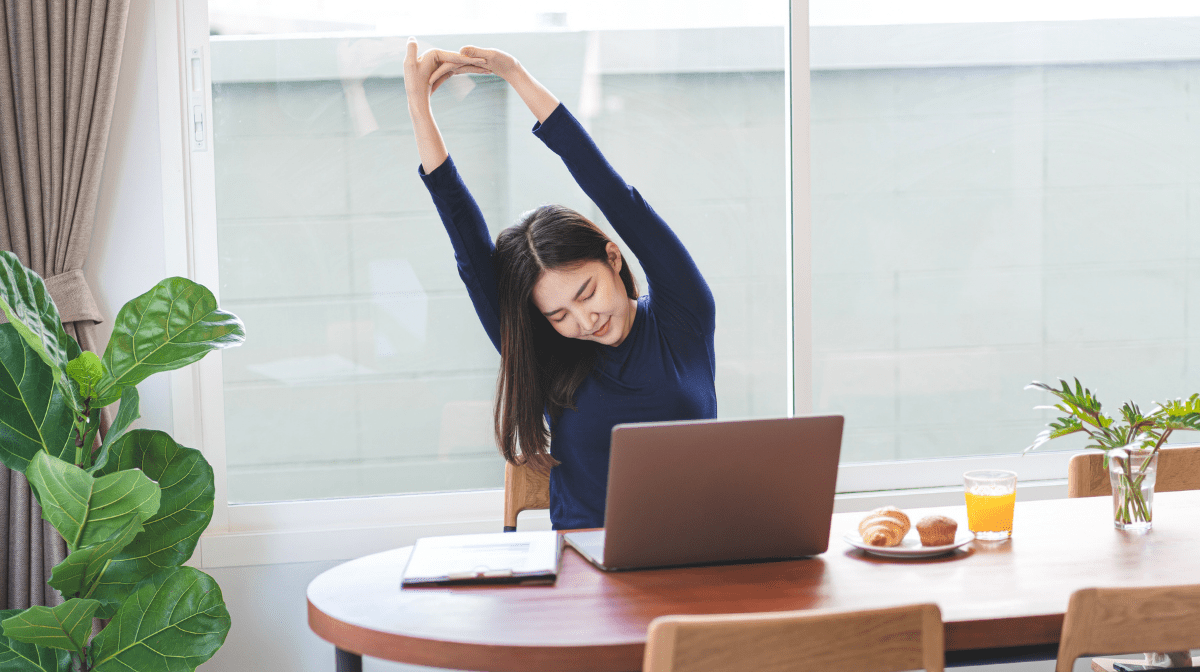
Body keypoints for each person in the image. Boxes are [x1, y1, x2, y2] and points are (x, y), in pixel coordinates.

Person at [404, 39, 716, 530]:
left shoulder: (683, 314)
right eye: (558, 315)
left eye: (586, 293)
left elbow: (618, 197)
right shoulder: (544, 352)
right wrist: (418, 108)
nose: (584, 320)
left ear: (612, 256)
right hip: (585, 570)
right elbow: (469, 250)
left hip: (698, 554)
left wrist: (515, 75)